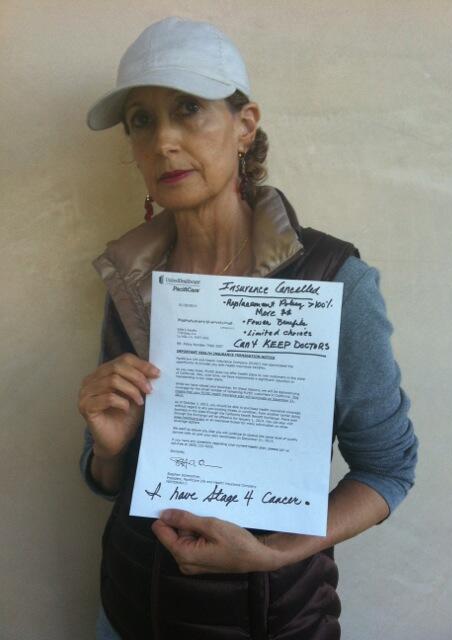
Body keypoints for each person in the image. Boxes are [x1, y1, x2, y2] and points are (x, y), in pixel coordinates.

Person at [78, 16, 418, 640]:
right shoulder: (131, 279)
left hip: (273, 620)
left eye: (188, 109)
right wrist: (107, 448)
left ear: (245, 125)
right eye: (141, 120)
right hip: (126, 611)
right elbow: (110, 482)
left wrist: (272, 554)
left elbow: (387, 470)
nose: (164, 141)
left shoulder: (333, 280)